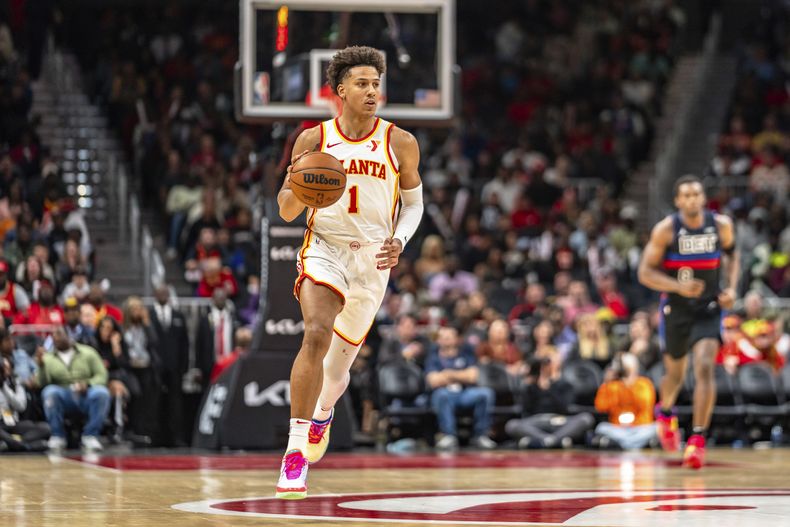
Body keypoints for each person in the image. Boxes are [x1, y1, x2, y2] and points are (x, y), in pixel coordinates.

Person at [274, 46, 424, 499]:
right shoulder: (313, 141)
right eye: (362, 83)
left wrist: (401, 240)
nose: (372, 91)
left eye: (376, 84)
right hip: (325, 249)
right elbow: (284, 211)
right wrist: (304, 189)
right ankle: (295, 452)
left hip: (374, 259)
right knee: (315, 334)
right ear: (340, 90)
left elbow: (414, 204)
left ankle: (323, 413)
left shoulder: (400, 141)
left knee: (337, 373)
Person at [638, 174, 739, 469]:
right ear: (678, 201)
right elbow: (645, 273)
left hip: (708, 308)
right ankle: (665, 411)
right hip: (677, 308)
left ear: (703, 198)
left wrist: (731, 288)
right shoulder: (666, 230)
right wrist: (677, 287)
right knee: (675, 374)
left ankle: (697, 439)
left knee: (705, 366)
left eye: (697, 194)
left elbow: (733, 256)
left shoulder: (722, 225)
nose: (693, 199)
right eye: (687, 195)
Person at [37, 326, 110, 451]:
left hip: (86, 393)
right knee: (49, 392)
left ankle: (90, 436)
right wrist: (41, 367)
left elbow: (102, 375)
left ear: (69, 336)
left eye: (59, 333)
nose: (56, 337)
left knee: (102, 393)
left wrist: (88, 384)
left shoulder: (88, 352)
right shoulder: (47, 358)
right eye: (53, 335)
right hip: (63, 394)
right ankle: (58, 436)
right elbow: (42, 383)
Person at [425, 326, 496, 451]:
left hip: (465, 393)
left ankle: (480, 435)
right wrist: (461, 375)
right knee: (442, 395)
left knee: (486, 393)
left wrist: (448, 374)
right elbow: (434, 381)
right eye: (443, 337)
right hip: (445, 394)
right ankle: (449, 435)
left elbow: (473, 376)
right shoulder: (433, 358)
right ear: (438, 341)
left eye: (449, 337)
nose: (446, 340)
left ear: (456, 339)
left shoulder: (465, 355)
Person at [593, 352, 658, 450]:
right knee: (601, 428)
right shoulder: (612, 385)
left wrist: (630, 385)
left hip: (640, 428)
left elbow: (645, 404)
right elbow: (600, 406)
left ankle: (625, 444)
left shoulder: (644, 384)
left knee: (658, 428)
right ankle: (635, 443)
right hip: (618, 429)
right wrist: (606, 383)